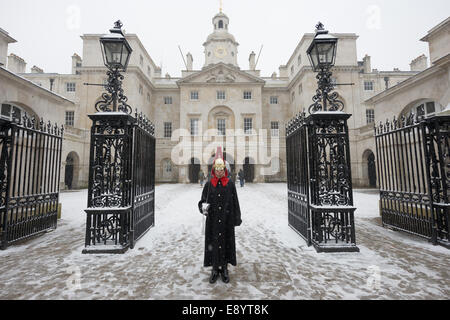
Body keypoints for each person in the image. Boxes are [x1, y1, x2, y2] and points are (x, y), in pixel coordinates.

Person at [198, 157, 242, 284]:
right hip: (212, 221)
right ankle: (215, 269)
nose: (219, 172)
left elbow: (235, 202)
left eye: (221, 169)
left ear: (224, 170)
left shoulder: (230, 184)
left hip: (226, 220)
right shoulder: (208, 184)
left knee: (226, 243)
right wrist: (203, 208)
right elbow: (202, 201)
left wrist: (236, 218)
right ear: (214, 170)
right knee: (214, 244)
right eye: (217, 170)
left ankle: (224, 268)